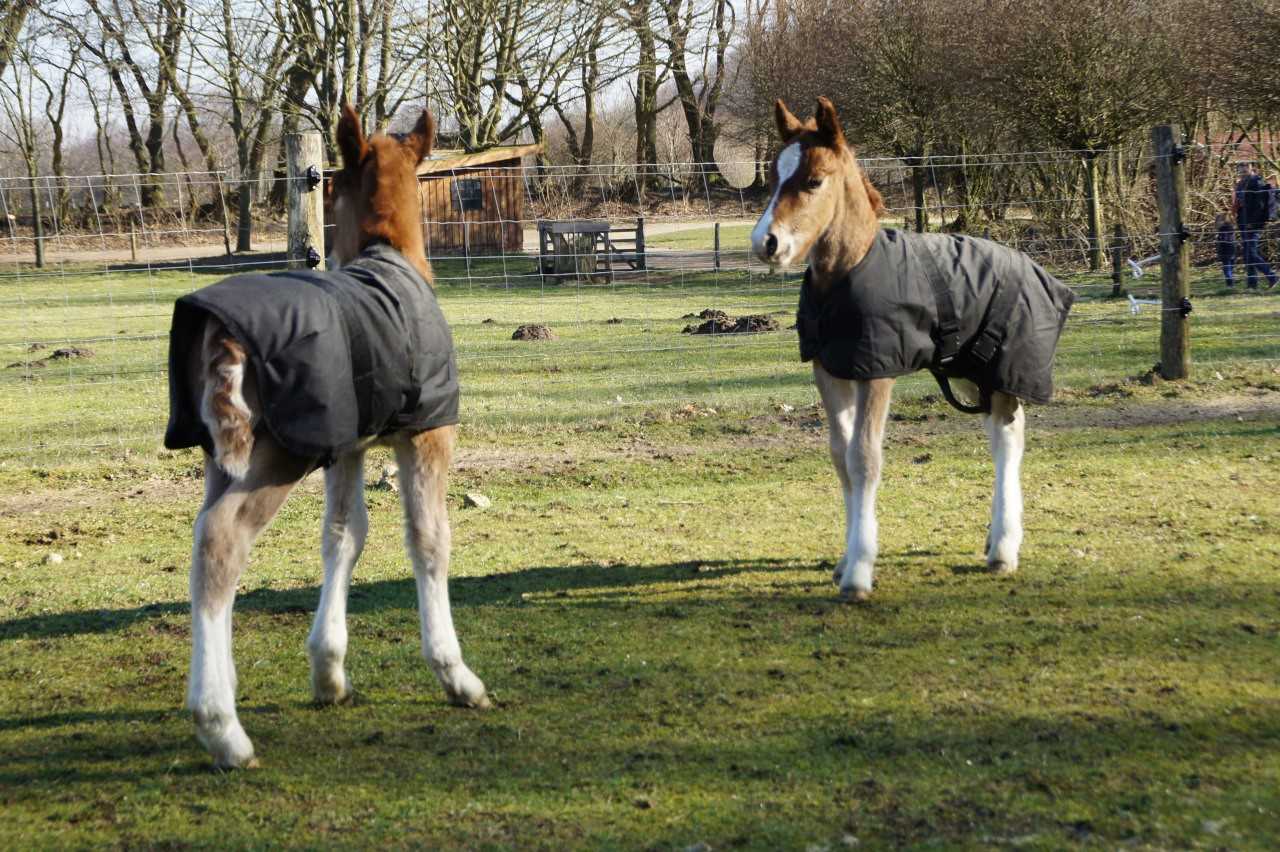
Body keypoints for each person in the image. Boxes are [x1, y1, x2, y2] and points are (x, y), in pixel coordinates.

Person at [1231, 161, 1277, 289]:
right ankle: (1252, 285)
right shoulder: (1240, 183)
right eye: (1240, 169)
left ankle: (1272, 276)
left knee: (1250, 252)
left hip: (1253, 224)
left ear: (1252, 168)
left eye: (1245, 168)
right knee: (1247, 253)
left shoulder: (1256, 182)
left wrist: (1253, 222)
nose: (1242, 171)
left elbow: (1259, 205)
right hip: (1243, 222)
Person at [1215, 212, 1237, 287]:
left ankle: (1230, 284)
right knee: (1230, 268)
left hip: (1225, 251)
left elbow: (1224, 241)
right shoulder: (1231, 228)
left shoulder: (1223, 229)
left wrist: (1218, 239)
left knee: (1227, 269)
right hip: (1232, 250)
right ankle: (1231, 283)